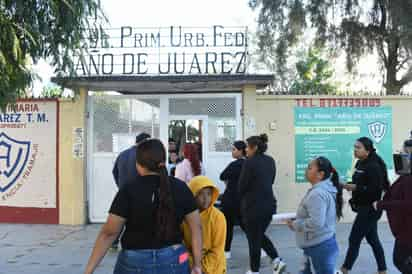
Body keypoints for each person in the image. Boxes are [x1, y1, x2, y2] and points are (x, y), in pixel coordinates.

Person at [84, 139, 203, 274]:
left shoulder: (128, 189)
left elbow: (109, 233)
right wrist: (197, 265)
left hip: (134, 261)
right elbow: (196, 228)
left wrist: (89, 270)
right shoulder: (181, 188)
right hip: (175, 259)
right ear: (163, 161)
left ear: (138, 164)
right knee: (182, 256)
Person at [340, 137, 389, 274]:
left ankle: (345, 269)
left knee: (354, 239)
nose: (355, 150)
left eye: (358, 147)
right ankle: (383, 270)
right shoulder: (360, 163)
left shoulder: (373, 166)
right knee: (373, 239)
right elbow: (359, 181)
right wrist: (348, 184)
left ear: (367, 150)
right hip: (363, 207)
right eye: (354, 147)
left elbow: (375, 189)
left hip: (370, 209)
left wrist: (355, 187)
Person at [286, 156, 343, 274]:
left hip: (319, 247)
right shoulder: (322, 190)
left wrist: (295, 224)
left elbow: (317, 222)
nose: (306, 170)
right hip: (317, 245)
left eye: (310, 168)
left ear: (320, 174)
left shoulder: (317, 194)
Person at [239, 134, 286, 274]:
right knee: (258, 236)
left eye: (248, 147)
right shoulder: (270, 161)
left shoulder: (249, 162)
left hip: (253, 207)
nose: (246, 150)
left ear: (255, 148)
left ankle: (254, 271)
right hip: (269, 205)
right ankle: (277, 261)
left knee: (254, 239)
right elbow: (270, 181)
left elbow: (241, 186)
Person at [374, 139, 412, 274]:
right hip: (405, 229)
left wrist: (382, 204)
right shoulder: (405, 176)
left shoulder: (409, 178)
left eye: (404, 152)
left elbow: (408, 204)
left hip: (408, 231)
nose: (401, 155)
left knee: (399, 260)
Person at [111, 132, 151, 250]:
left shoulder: (122, 154)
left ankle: (114, 242)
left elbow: (114, 172)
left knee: (121, 218)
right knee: (139, 218)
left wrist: (120, 186)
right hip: (139, 191)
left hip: (123, 190)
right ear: (144, 142)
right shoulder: (143, 155)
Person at [182, 176, 227, 274]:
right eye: (200, 194)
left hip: (215, 268)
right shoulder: (184, 217)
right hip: (191, 267)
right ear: (192, 195)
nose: (206, 198)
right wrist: (193, 264)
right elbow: (182, 248)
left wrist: (203, 269)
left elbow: (218, 249)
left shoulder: (218, 217)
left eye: (209, 194)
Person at [220, 140, 247, 259]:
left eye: (234, 149)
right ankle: (261, 247)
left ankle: (226, 251)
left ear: (241, 151)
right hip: (243, 200)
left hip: (230, 199)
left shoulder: (234, 165)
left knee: (228, 226)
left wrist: (229, 183)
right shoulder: (249, 164)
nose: (232, 152)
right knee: (246, 226)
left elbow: (222, 176)